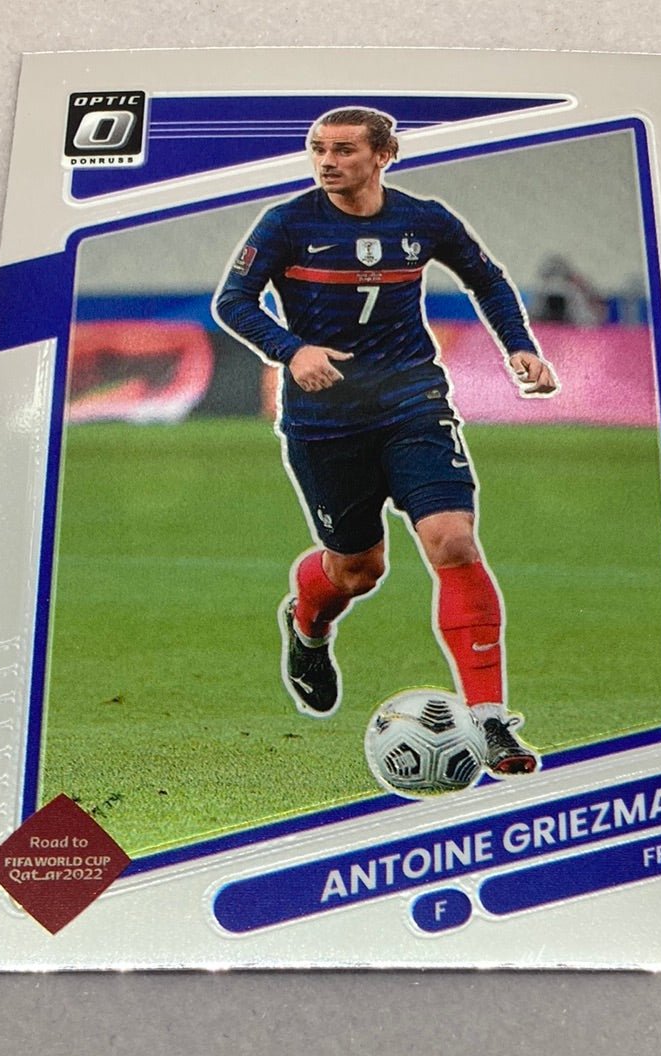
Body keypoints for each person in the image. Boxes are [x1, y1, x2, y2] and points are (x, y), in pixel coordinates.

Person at [213, 107, 558, 775]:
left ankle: (489, 720)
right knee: (357, 571)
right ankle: (307, 625)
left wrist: (519, 346)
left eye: (344, 150)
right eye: (319, 149)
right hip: (325, 422)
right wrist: (292, 350)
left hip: (412, 403)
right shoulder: (287, 224)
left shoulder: (423, 220)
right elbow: (233, 301)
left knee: (452, 541)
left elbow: (485, 277)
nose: (327, 161)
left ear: (384, 155)